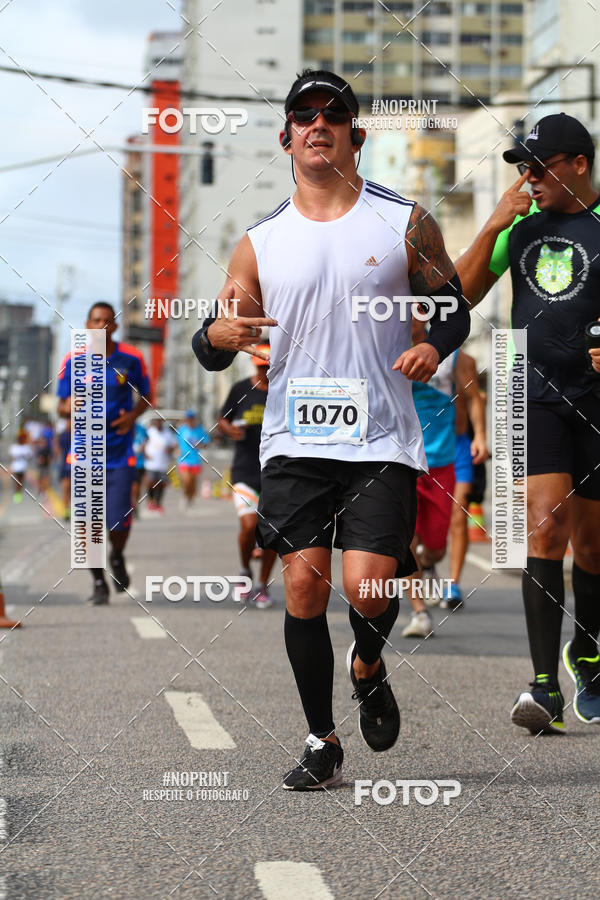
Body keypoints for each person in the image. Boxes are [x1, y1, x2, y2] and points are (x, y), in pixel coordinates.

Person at [193, 68, 470, 790]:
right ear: (286, 134)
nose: (319, 122)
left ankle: (369, 666)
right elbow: (215, 334)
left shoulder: (404, 220)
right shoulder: (260, 241)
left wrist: (433, 345)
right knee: (306, 591)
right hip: (293, 439)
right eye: (304, 113)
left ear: (356, 133)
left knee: (371, 588)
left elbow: (456, 306)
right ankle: (321, 739)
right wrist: (215, 334)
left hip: (381, 435)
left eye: (334, 112)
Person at [456, 112, 600, 733]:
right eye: (522, 168)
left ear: (579, 165)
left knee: (593, 544)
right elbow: (454, 297)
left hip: (596, 398)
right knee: (545, 529)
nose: (530, 179)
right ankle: (544, 688)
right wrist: (493, 222)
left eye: (540, 167)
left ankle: (588, 657)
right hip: (531, 389)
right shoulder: (519, 229)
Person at [57, 302, 151, 604]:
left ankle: (118, 555)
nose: (101, 326)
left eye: (107, 321)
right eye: (96, 320)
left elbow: (147, 396)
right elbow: (60, 405)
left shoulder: (131, 358)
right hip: (85, 454)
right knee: (87, 523)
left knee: (119, 520)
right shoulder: (73, 359)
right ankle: (98, 582)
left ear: (115, 326)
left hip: (120, 454)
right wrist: (69, 407)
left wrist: (132, 416)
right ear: (87, 324)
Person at [402, 324, 488, 638]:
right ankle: (419, 611)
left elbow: (474, 398)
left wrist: (480, 435)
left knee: (437, 545)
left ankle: (431, 563)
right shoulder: (383, 348)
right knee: (405, 535)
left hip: (446, 457)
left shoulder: (452, 357)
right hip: (404, 459)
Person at [217, 343, 277, 609]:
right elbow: (222, 419)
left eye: (269, 366)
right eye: (261, 367)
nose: (265, 372)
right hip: (244, 470)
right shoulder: (241, 389)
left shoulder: (284, 389)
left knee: (274, 533)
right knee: (248, 526)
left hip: (277, 472)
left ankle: (262, 585)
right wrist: (230, 430)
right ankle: (244, 571)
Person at [446, 380, 489, 609]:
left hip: (459, 446)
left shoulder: (463, 362)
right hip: (423, 445)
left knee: (458, 513)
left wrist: (480, 437)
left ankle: (453, 583)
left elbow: (474, 398)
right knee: (418, 527)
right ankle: (429, 560)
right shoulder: (407, 352)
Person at [176, 410, 210, 509]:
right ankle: (184, 496)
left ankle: (190, 498)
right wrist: (177, 449)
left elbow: (206, 443)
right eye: (188, 419)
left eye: (191, 419)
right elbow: (176, 441)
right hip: (184, 460)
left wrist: (200, 445)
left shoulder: (200, 430)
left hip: (195, 460)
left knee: (193, 482)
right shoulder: (182, 429)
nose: (190, 421)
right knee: (186, 480)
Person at [144, 418, 176, 512]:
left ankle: (158, 502)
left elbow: (173, 445)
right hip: (151, 463)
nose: (158, 424)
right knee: (150, 482)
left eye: (159, 422)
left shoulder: (167, 433)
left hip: (162, 463)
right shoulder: (150, 432)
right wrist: (145, 454)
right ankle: (150, 501)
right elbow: (143, 444)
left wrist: (169, 449)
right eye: (156, 422)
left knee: (162, 483)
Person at [55, 417, 72, 520]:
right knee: (66, 488)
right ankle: (66, 511)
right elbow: (57, 448)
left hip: (78, 466)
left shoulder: (80, 434)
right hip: (65, 466)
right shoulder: (63, 436)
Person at [9, 430, 32, 503]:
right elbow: (11, 457)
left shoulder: (26, 447)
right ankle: (17, 495)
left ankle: (19, 493)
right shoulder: (14, 447)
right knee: (17, 481)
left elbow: (30, 456)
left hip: (23, 467)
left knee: (21, 482)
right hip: (16, 468)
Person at [131, 420, 148, 516]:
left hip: (139, 463)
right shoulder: (124, 427)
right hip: (126, 463)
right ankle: (130, 506)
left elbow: (147, 438)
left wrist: (143, 447)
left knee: (137, 487)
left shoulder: (141, 428)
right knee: (130, 487)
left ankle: (135, 505)